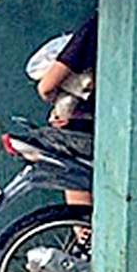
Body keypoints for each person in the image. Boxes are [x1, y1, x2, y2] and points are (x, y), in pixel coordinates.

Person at [32, 11, 97, 209]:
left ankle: (81, 225)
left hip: (94, 135)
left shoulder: (88, 32)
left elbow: (45, 87)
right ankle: (80, 223)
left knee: (65, 149)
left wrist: (53, 101)